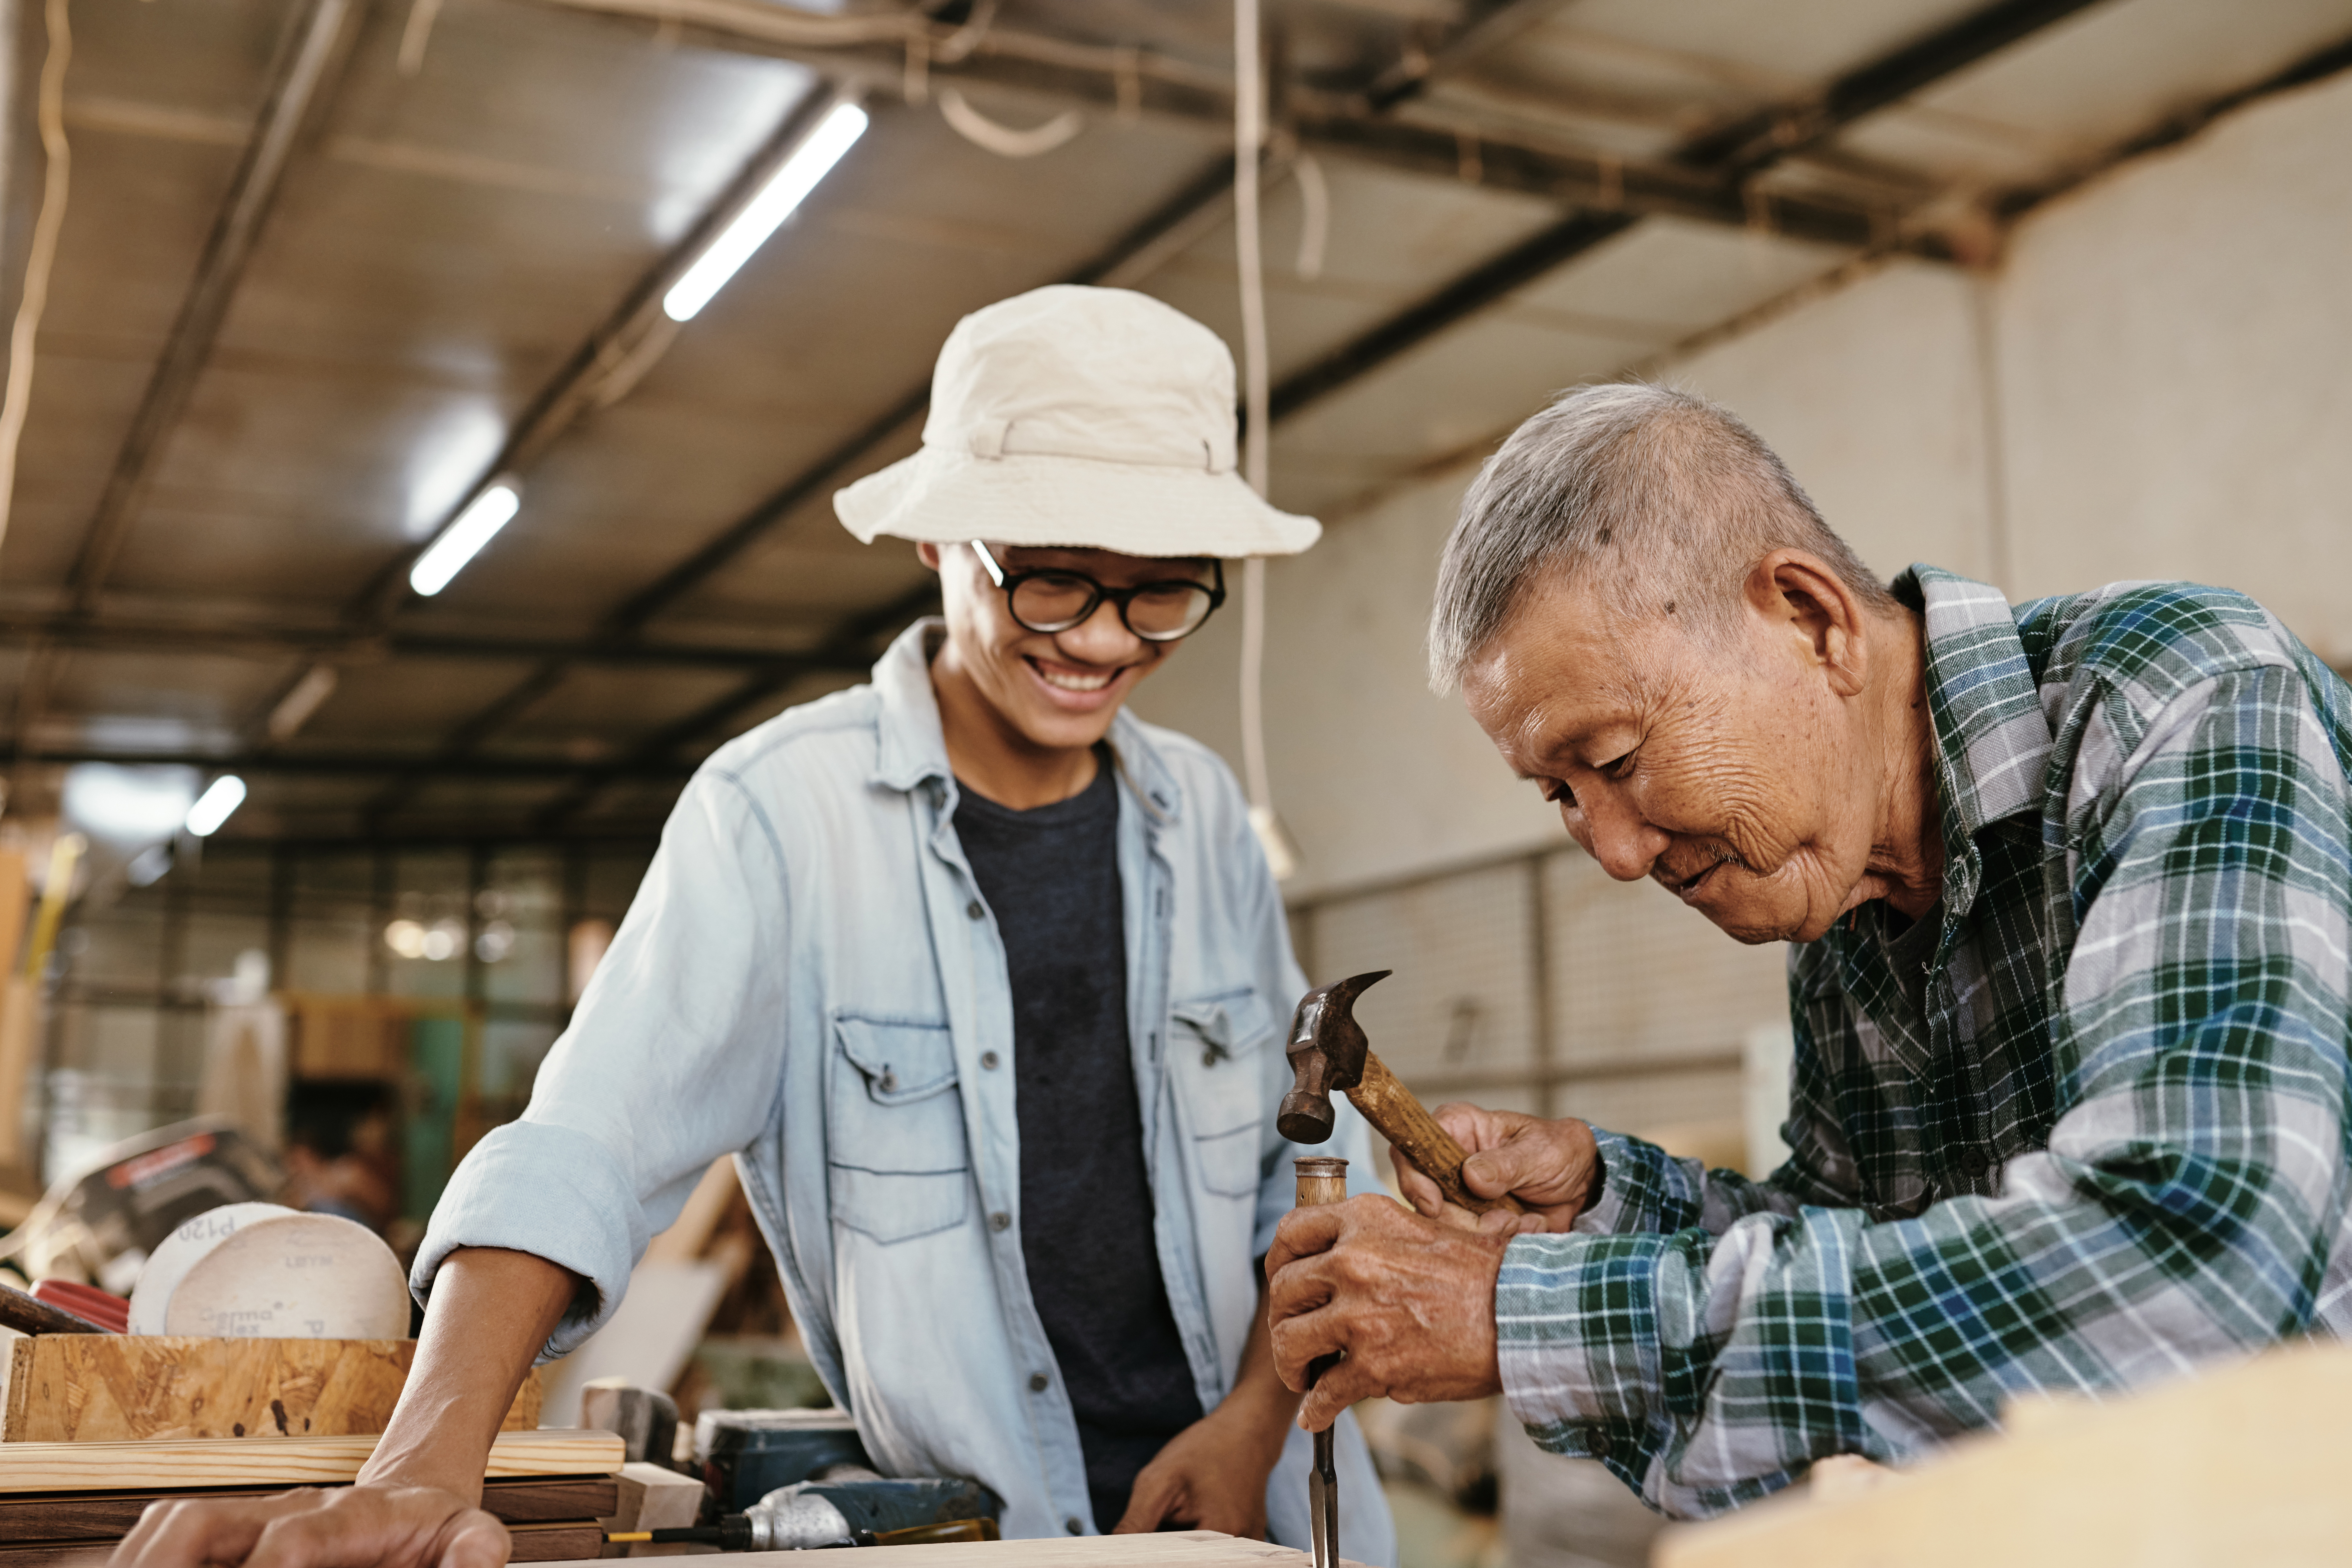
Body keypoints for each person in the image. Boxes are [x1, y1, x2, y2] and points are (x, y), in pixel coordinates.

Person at [114, 286, 1396, 1568]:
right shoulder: (780, 817)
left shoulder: (1207, 820)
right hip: (991, 1535)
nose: (1106, 641)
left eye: (1161, 594)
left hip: (1271, 1508)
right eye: (1054, 584)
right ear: (935, 541)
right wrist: (421, 1464)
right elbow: (590, 1140)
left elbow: (1313, 1168)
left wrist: (1250, 1417)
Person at [1263, 381, 2352, 1518]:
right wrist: (1604, 1209)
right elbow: (1885, 1267)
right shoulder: (1832, 896)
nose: (1618, 854)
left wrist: (1522, 1315)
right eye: (1559, 793)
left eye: (1620, 759)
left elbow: (2192, 1258)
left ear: (1810, 619)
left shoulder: (2182, 699)